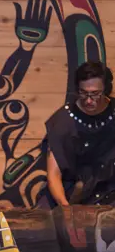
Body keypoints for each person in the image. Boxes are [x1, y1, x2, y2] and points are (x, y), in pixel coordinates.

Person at [46, 60, 115, 207]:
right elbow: (54, 174)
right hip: (71, 194)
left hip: (110, 191)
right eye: (84, 93)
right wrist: (65, 208)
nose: (89, 100)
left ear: (107, 89)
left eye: (95, 94)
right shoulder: (63, 122)